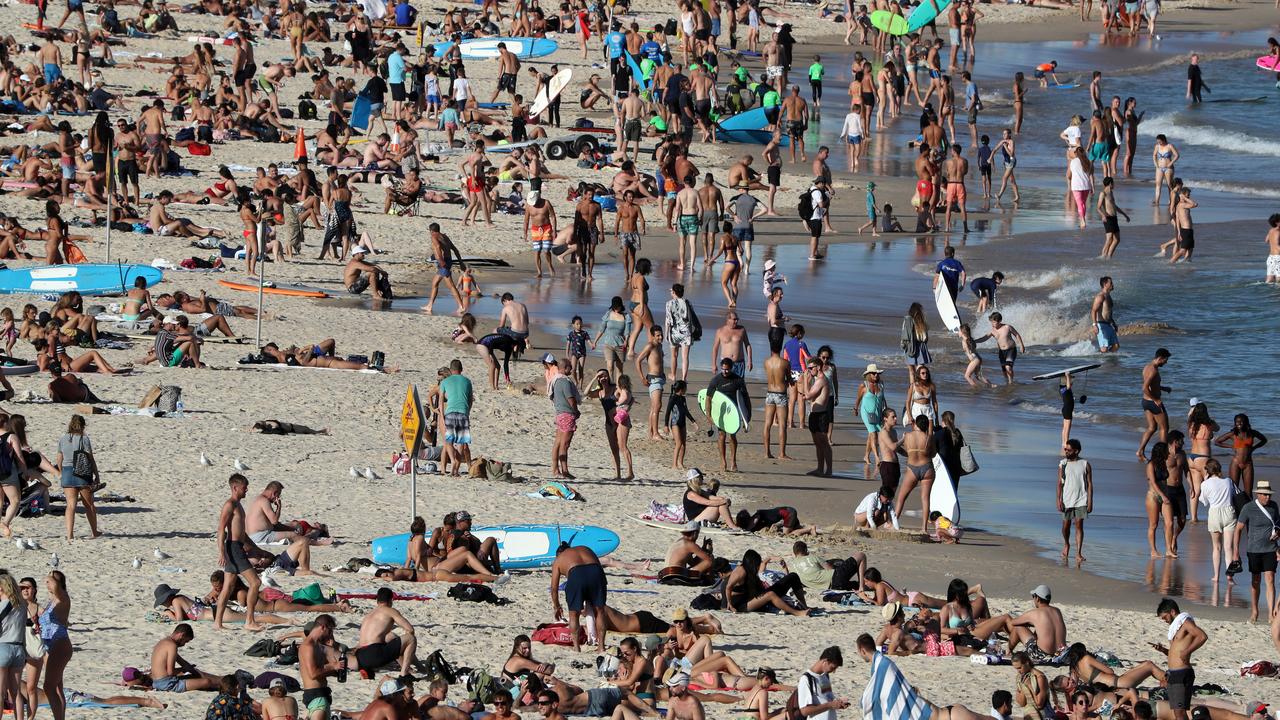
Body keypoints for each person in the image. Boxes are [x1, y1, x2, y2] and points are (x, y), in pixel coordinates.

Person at [214, 474, 263, 631]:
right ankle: (249, 620)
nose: (246, 489)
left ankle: (217, 623)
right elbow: (221, 530)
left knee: (228, 587)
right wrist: (221, 552)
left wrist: (255, 548)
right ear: (235, 488)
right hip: (233, 548)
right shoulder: (230, 505)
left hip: (237, 546)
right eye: (244, 487)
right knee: (255, 583)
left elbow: (241, 532)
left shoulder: (238, 505)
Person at [1153, 599, 1207, 720]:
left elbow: (1202, 636)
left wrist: (1188, 651)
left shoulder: (1185, 622)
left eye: (1165, 617)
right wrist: (1163, 650)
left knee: (1179, 713)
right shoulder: (1176, 628)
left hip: (1181, 673)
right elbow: (1175, 654)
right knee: (1178, 713)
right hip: (1173, 674)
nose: (1164, 620)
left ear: (1172, 611)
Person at [1232, 480, 1279, 622]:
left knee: (1270, 579)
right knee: (1256, 581)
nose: (1268, 497)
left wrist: (1278, 533)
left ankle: (1271, 614)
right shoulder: (1248, 508)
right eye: (1264, 495)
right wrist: (1235, 552)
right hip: (1254, 550)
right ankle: (1255, 611)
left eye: (1269, 495)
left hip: (1271, 549)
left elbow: (1278, 524)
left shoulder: (1274, 506)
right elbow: (1238, 529)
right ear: (1258, 494)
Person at [550, 544, 605, 652]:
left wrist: (557, 606)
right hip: (596, 572)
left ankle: (576, 647)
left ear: (558, 554)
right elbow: (598, 567)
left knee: (574, 614)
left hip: (576, 574)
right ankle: (601, 646)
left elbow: (553, 588)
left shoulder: (559, 559)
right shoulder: (585, 548)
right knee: (600, 611)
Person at [356, 588, 419, 677]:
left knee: (390, 636)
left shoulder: (369, 615)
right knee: (410, 639)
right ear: (391, 600)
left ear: (377, 600)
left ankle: (368, 668)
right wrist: (408, 651)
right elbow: (410, 629)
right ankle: (405, 672)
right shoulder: (390, 611)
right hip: (374, 653)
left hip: (361, 656)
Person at [705, 358, 748, 472]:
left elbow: (745, 399)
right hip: (720, 411)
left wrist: (746, 418)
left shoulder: (738, 380)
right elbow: (708, 398)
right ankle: (723, 461)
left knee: (732, 436)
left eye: (727, 370)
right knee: (721, 436)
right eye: (723, 369)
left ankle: (733, 461)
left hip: (733, 412)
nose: (724, 372)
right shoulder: (716, 380)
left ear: (732, 368)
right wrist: (708, 415)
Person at [149, 624, 220, 693]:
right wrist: (183, 670)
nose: (183, 644)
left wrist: (190, 668)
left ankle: (219, 679)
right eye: (185, 641)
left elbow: (181, 661)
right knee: (206, 682)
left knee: (195, 674)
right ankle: (221, 684)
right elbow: (170, 672)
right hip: (167, 684)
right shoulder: (172, 646)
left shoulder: (163, 642)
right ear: (181, 635)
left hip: (156, 682)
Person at [1009, 585, 1067, 664]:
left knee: (1018, 627)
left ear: (1038, 598)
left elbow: (1013, 622)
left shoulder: (1035, 612)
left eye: (1033, 596)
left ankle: (1008, 652)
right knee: (1041, 630)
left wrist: (1028, 623)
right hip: (1060, 653)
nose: (1033, 599)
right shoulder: (1057, 611)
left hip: (1042, 654)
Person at [1214, 414, 1267, 497]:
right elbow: (1217, 442)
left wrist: (1254, 448)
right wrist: (1231, 446)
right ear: (1235, 423)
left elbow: (1264, 440)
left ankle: (1248, 509)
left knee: (1248, 492)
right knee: (1234, 490)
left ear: (1246, 422)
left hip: (1248, 464)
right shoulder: (1233, 434)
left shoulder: (1252, 433)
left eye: (1241, 421)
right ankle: (1234, 509)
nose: (1239, 423)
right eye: (1237, 421)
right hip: (1236, 463)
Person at [1058, 439, 1093, 564]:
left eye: (1068, 450)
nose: (1066, 451)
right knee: (1065, 526)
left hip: (1081, 500)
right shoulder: (1063, 464)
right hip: (1067, 500)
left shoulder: (1085, 464)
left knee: (1079, 525)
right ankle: (1067, 544)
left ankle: (1078, 552)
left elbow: (1089, 484)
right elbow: (1059, 484)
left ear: (1076, 451)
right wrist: (1059, 500)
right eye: (1065, 449)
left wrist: (1090, 501)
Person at [439, 359, 474, 478]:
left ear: (450, 369)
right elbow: (470, 400)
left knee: (448, 440)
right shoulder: (467, 381)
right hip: (463, 412)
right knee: (461, 443)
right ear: (461, 369)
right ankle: (456, 471)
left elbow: (440, 401)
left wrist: (442, 415)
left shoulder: (445, 382)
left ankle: (453, 461)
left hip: (450, 412)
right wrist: (467, 412)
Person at [786, 541, 865, 592]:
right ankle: (862, 587)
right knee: (861, 555)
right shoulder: (811, 557)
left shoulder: (793, 567)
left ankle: (860, 585)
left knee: (854, 584)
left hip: (833, 587)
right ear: (806, 550)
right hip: (834, 577)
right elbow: (830, 568)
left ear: (794, 553)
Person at [549, 359, 581, 480]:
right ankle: (564, 470)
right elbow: (570, 398)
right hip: (567, 414)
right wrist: (576, 411)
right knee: (565, 444)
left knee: (558, 442)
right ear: (565, 367)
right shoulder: (565, 382)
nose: (572, 370)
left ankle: (555, 469)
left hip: (559, 414)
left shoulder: (556, 381)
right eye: (570, 368)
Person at [1138, 349, 1172, 461]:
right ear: (1160, 358)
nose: (1166, 363)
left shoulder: (1147, 367)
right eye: (1166, 360)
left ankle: (1140, 451)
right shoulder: (1153, 370)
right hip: (1152, 402)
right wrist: (1156, 400)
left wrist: (1163, 388)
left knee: (1152, 427)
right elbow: (1144, 387)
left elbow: (1152, 385)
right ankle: (1163, 455)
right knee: (1164, 428)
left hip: (1145, 402)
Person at [974, 312, 1025, 384]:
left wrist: (1021, 345)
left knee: (1008, 368)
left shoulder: (1007, 327)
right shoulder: (992, 331)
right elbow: (984, 338)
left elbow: (1016, 335)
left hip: (1011, 350)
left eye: (994, 322)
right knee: (1004, 371)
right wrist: (974, 341)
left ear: (999, 321)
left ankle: (1011, 382)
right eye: (991, 322)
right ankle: (1007, 382)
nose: (992, 324)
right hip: (1001, 352)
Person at [1097, 180, 1130, 260]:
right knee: (1109, 239)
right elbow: (1098, 207)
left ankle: (1109, 257)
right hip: (1107, 218)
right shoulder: (1103, 193)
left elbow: (1115, 207)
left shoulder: (1111, 193)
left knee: (1117, 239)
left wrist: (1125, 215)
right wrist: (1103, 215)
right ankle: (1102, 257)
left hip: (1114, 218)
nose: (1114, 185)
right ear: (1110, 183)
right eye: (1113, 183)